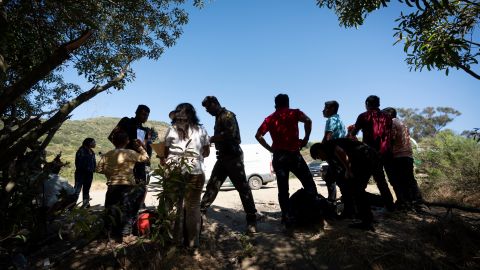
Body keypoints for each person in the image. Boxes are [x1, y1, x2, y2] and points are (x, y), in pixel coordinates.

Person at [255, 93, 318, 226]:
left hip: (279, 156)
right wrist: (306, 138)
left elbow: (258, 135)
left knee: (283, 189)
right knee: (309, 184)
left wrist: (270, 149)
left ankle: (287, 217)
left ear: (275, 104)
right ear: (288, 103)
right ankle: (313, 213)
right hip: (294, 155)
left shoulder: (270, 118)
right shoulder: (294, 113)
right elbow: (308, 120)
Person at [200, 96, 257, 233]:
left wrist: (211, 139)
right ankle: (200, 212)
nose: (207, 111)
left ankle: (252, 220)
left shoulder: (227, 115)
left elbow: (230, 134)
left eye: (208, 107)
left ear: (214, 104)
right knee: (213, 185)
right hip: (223, 158)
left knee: (243, 188)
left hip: (233, 157)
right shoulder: (218, 117)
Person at [161, 103, 210, 248]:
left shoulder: (171, 130)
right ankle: (193, 244)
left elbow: (164, 153)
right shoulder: (201, 130)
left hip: (174, 171)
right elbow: (206, 153)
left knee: (173, 207)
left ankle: (173, 243)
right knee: (193, 207)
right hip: (195, 170)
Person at [310, 139, 381, 231]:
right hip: (370, 156)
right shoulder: (329, 151)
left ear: (319, 150)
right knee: (356, 189)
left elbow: (341, 152)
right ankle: (359, 215)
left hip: (366, 157)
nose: (322, 159)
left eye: (318, 156)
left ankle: (367, 221)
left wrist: (348, 169)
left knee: (358, 189)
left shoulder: (328, 145)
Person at [97, 131, 149, 240]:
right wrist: (140, 147)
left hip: (112, 186)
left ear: (114, 141)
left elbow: (98, 169)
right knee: (127, 209)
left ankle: (109, 233)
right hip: (127, 186)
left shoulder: (107, 154)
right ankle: (125, 234)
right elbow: (146, 158)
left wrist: (109, 173)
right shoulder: (130, 153)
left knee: (111, 210)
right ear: (127, 141)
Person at [348, 95, 395, 211]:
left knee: (361, 182)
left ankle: (360, 210)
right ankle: (390, 206)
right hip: (385, 153)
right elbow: (390, 136)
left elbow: (353, 134)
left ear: (367, 104)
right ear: (379, 104)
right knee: (381, 181)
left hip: (369, 154)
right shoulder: (388, 117)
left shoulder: (364, 116)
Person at [108, 104, 151, 211]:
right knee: (123, 186)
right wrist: (122, 149)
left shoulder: (145, 130)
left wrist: (144, 146)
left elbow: (146, 148)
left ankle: (138, 207)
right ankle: (117, 209)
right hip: (124, 160)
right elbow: (112, 136)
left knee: (141, 185)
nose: (145, 117)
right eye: (143, 114)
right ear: (136, 112)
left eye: (147, 115)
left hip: (139, 161)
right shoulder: (126, 121)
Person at [382, 107, 423, 210]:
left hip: (398, 156)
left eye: (383, 115)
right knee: (409, 179)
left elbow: (392, 139)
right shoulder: (402, 123)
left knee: (398, 180)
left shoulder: (391, 122)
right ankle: (415, 201)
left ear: (389, 114)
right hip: (408, 155)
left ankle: (403, 202)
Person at [321, 100, 346, 202]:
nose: (323, 111)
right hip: (340, 152)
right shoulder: (339, 120)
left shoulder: (331, 120)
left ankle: (343, 202)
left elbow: (328, 137)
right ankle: (332, 200)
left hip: (334, 153)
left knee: (337, 178)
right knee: (330, 178)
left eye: (325, 108)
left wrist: (321, 149)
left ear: (331, 109)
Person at [74, 138, 96, 208]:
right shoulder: (81, 151)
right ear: (89, 143)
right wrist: (88, 169)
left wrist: (93, 169)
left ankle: (86, 205)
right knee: (77, 190)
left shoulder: (92, 151)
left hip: (89, 174)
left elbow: (93, 162)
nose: (95, 144)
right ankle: (70, 206)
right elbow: (79, 164)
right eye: (94, 142)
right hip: (81, 174)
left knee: (86, 190)